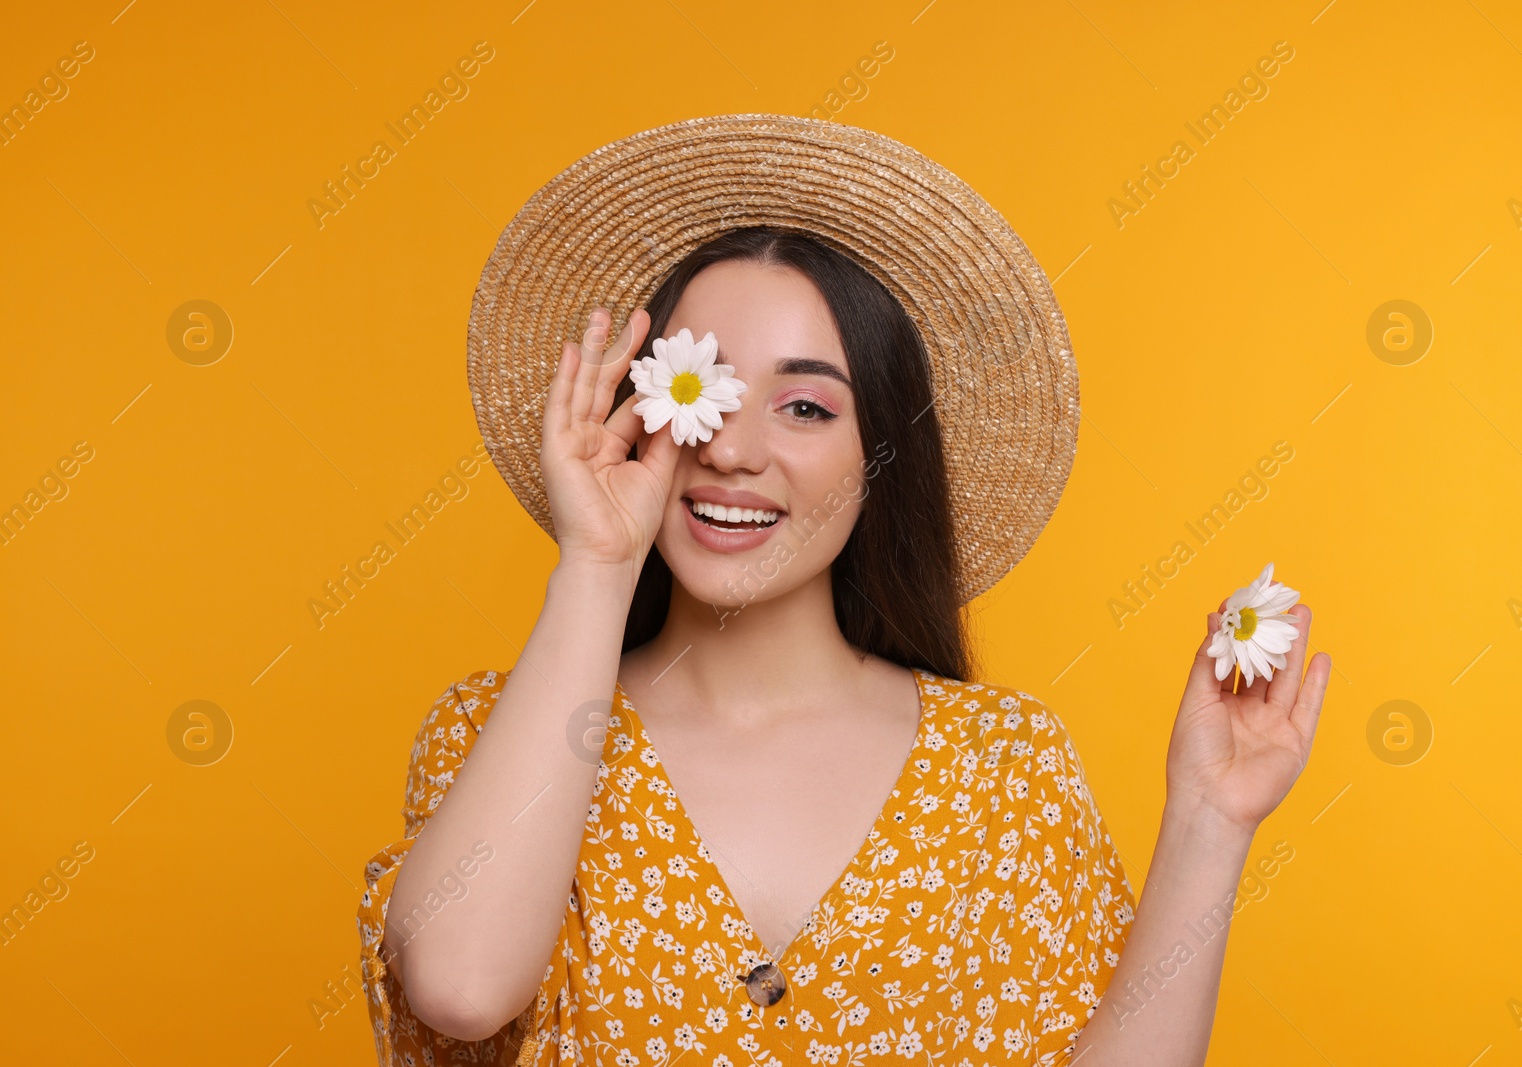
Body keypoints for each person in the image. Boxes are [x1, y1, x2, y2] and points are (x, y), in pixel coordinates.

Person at [356, 116, 1330, 1067]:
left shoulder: (1006, 767)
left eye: (807, 405)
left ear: (878, 457)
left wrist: (1210, 821)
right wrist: (597, 559)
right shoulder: (492, 733)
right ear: (639, 409)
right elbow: (461, 985)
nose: (732, 449)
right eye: (704, 391)